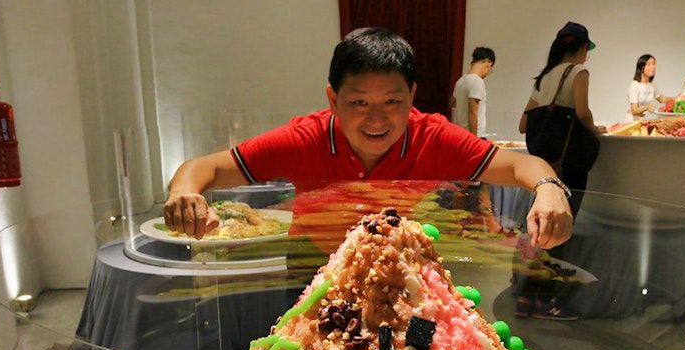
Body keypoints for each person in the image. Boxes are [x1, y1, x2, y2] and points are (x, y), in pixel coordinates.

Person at [165, 28, 572, 252]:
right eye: (359, 101)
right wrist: (185, 190)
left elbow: (522, 164)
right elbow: (205, 168)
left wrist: (549, 188)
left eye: (392, 101)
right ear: (333, 99)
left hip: (400, 272)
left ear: (412, 96)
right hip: (312, 275)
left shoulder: (432, 135)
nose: (376, 118)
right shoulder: (304, 137)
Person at [518, 21, 605, 216]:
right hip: (568, 161)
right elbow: (582, 112)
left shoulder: (544, 77)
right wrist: (596, 129)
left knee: (543, 213)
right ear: (583, 48)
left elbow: (523, 125)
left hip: (543, 162)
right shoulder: (578, 71)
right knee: (565, 215)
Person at [450, 46, 496, 137]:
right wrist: (474, 140)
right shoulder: (476, 81)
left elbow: (452, 102)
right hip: (474, 136)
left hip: (461, 133)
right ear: (489, 63)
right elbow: (473, 113)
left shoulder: (461, 81)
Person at [628, 54, 671, 120]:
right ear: (642, 68)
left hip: (644, 121)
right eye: (649, 64)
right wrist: (647, 107)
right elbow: (634, 110)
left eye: (654, 64)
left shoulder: (652, 84)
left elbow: (662, 99)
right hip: (633, 122)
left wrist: (678, 98)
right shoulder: (635, 85)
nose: (653, 67)